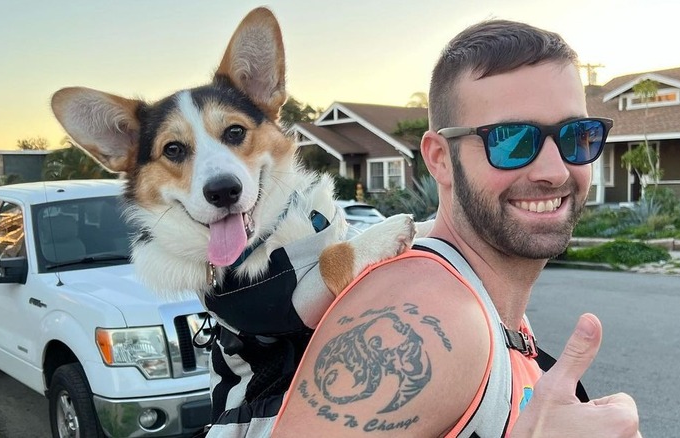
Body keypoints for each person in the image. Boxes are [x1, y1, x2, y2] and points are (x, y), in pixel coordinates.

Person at [272, 18, 641, 437]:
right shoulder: (430, 311)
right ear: (440, 158)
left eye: (577, 136)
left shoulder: (486, 303)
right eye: (511, 140)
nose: (555, 171)